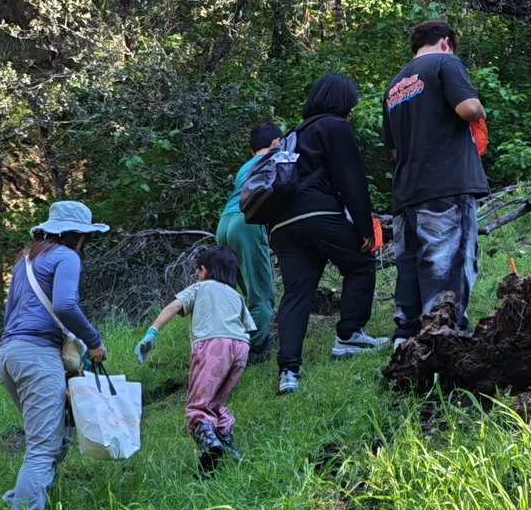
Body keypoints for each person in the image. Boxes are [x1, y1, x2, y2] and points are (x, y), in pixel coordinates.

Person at [0, 201, 110, 510]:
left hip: (10, 354)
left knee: (55, 436)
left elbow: (10, 314)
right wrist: (94, 340)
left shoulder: (27, 259)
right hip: (37, 357)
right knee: (44, 445)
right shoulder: (67, 256)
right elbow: (65, 305)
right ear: (78, 235)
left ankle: (16, 505)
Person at [269, 73, 380, 394]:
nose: (353, 111)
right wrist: (364, 229)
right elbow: (352, 180)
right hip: (316, 212)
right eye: (352, 105)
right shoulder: (334, 126)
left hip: (281, 225)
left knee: (297, 293)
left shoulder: (293, 134)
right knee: (360, 263)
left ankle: (288, 372)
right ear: (342, 102)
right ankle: (349, 336)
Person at [382, 19, 490, 338]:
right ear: (445, 41)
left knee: (412, 268)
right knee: (449, 265)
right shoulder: (446, 62)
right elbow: (469, 108)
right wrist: (480, 108)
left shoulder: (393, 86)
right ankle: (446, 339)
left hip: (407, 191)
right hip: (446, 186)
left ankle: (405, 341)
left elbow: (393, 151)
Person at [136, 245, 256, 471]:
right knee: (216, 402)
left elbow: (173, 307)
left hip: (213, 346)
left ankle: (210, 446)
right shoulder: (235, 295)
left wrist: (152, 332)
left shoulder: (200, 288)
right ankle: (227, 445)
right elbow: (249, 327)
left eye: (198, 271)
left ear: (203, 270)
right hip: (241, 347)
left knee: (197, 406)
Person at [212, 123, 282, 356]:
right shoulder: (276, 158)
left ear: (253, 150)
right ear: (276, 143)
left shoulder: (246, 166)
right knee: (262, 293)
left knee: (246, 291)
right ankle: (255, 348)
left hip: (225, 223)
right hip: (247, 223)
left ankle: (239, 338)